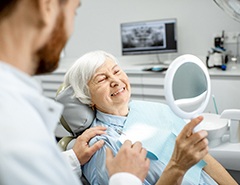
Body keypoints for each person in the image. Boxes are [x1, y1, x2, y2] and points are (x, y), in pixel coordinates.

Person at [0, 1, 150, 185]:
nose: (115, 81)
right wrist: (126, 178)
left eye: (117, 71)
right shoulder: (13, 125)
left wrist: (73, 158)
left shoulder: (15, 109)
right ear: (46, 6)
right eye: (74, 11)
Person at [63, 50, 238, 185]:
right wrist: (177, 166)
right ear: (87, 97)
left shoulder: (153, 108)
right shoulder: (101, 146)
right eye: (101, 79)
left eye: (117, 71)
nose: (115, 81)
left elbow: (203, 158)